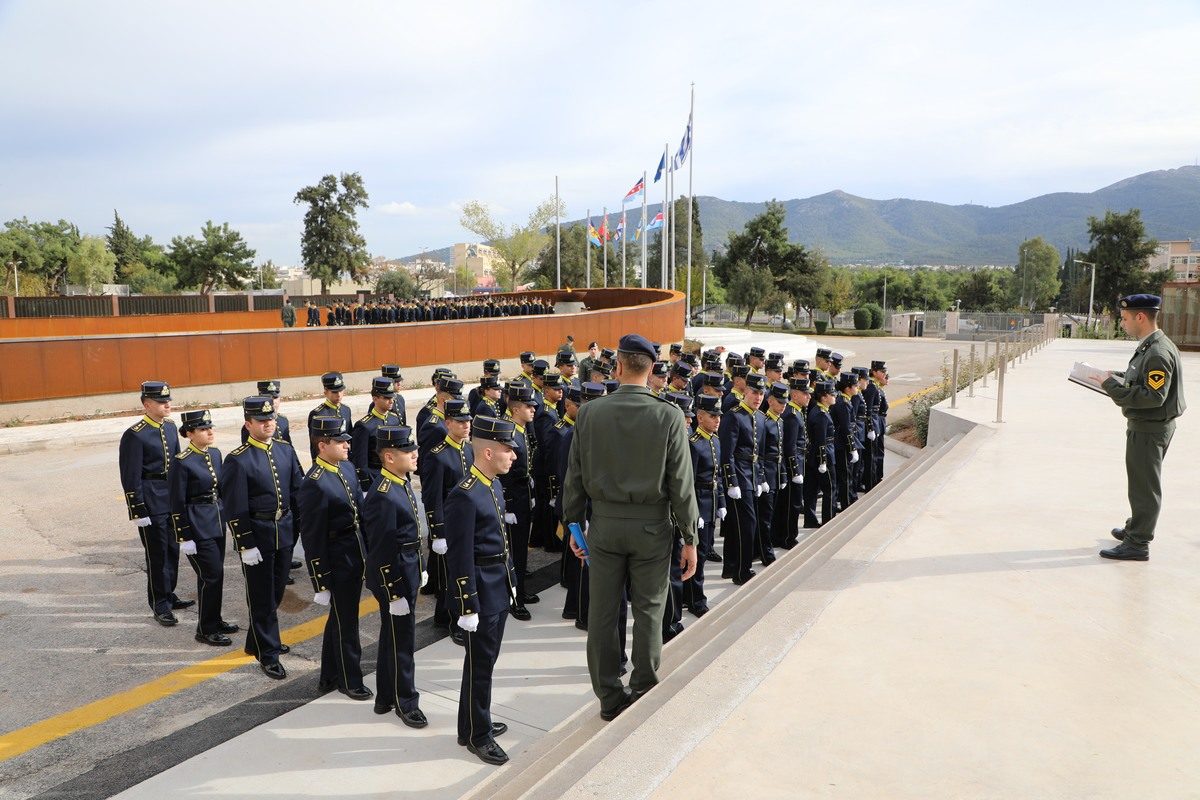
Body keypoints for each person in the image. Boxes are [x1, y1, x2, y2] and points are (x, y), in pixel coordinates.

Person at [562, 333, 699, 722]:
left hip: (603, 527)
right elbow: (681, 485)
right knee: (649, 611)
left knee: (604, 614)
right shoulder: (669, 415)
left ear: (617, 367)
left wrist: (575, 529)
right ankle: (643, 690)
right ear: (653, 369)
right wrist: (690, 538)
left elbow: (574, 478)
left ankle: (608, 697)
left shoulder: (589, 413)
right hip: (652, 529)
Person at [444, 416, 520, 766]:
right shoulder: (465, 495)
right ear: (488, 452)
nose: (513, 456)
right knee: (481, 667)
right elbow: (459, 556)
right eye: (508, 450)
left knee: (483, 663)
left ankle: (470, 724)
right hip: (481, 594)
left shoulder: (492, 485)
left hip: (497, 587)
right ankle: (479, 735)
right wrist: (466, 605)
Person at [1092, 294, 1187, 561]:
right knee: (1140, 482)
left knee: (1144, 486)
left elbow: (1152, 396)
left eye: (1124, 319)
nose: (1122, 324)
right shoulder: (1152, 346)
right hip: (1148, 426)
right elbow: (1142, 381)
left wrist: (1109, 385)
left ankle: (1138, 543)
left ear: (1140, 317)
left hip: (1149, 429)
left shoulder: (1157, 352)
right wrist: (1116, 378)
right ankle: (1136, 528)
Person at [221, 396, 305, 679]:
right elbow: (235, 505)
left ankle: (255, 641)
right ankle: (268, 653)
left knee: (277, 592)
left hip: (284, 532)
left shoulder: (284, 450)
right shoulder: (238, 460)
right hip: (257, 534)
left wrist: (298, 528)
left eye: (270, 419)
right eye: (260, 421)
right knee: (262, 598)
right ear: (248, 424)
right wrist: (244, 543)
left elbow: (297, 491)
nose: (267, 424)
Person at [298, 416, 370, 699]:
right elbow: (312, 535)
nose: (347, 446)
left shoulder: (347, 468)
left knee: (340, 618)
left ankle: (328, 674)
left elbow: (360, 513)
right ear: (322, 444)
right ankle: (349, 679)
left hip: (355, 553)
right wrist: (320, 580)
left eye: (346, 441)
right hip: (337, 558)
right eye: (340, 441)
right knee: (347, 622)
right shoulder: (314, 483)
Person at [362, 426, 429, 725]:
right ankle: (406, 702)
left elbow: (410, 533)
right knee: (402, 641)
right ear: (389, 456)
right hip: (396, 578)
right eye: (407, 451)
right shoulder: (383, 495)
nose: (415, 454)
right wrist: (394, 592)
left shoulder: (401, 482)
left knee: (393, 637)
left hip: (408, 568)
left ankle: (385, 697)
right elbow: (380, 550)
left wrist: (421, 565)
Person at [119, 380, 188, 626]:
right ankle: (160, 604)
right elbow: (130, 475)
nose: (167, 404)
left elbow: (178, 464)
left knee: (172, 549)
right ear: (147, 404)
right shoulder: (135, 435)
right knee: (157, 555)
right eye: (161, 401)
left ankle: (170, 593)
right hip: (150, 500)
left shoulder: (170, 427)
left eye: (168, 400)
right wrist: (137, 508)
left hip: (171, 498)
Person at [170, 409, 239, 645]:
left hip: (216, 521)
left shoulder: (216, 454)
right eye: (202, 429)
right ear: (189, 433)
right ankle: (205, 630)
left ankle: (214, 620)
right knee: (212, 575)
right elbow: (176, 501)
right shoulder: (182, 462)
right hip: (197, 524)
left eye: (210, 427)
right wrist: (183, 536)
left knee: (214, 576)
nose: (209, 432)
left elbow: (220, 490)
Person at [420, 398, 474, 641]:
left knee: (463, 571)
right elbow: (432, 498)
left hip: (468, 524)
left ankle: (446, 615)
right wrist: (437, 532)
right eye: (461, 422)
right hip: (449, 526)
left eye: (468, 421)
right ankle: (451, 621)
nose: (466, 426)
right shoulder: (437, 455)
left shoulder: (469, 449)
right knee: (450, 577)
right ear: (448, 423)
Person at [718, 372, 766, 584]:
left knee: (740, 524)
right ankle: (742, 570)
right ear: (745, 391)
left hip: (752, 475)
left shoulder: (760, 417)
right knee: (746, 525)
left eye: (761, 394)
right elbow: (727, 452)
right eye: (754, 392)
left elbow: (760, 453)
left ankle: (731, 567)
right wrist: (731, 482)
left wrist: (761, 478)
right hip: (739, 475)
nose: (758, 397)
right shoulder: (734, 415)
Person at [500, 384, 538, 620]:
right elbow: (504, 473)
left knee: (521, 552)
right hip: (514, 499)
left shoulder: (521, 428)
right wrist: (510, 505)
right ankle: (514, 598)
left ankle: (521, 590)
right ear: (515, 409)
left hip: (524, 494)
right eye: (528, 406)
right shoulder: (508, 432)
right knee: (513, 553)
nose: (533, 410)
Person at [351, 377, 403, 492]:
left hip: (394, 474)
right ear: (375, 399)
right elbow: (360, 461)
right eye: (386, 398)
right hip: (375, 477)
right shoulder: (364, 426)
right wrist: (366, 484)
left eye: (392, 397)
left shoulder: (394, 420)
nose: (391, 401)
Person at [804, 381, 837, 527]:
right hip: (823, 457)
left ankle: (810, 520)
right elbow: (821, 440)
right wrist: (823, 461)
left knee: (811, 490)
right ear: (824, 397)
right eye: (832, 394)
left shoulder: (819, 411)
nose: (834, 396)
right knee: (830, 488)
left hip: (814, 456)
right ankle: (828, 520)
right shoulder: (821, 415)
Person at [307, 372, 353, 463]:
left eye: (341, 390)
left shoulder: (346, 410)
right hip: (327, 460)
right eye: (334, 392)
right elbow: (315, 446)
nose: (339, 395)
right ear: (325, 392)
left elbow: (349, 437)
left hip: (344, 459)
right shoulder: (318, 414)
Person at [242, 380, 293, 446]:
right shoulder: (252, 425)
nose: (273, 401)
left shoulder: (283, 420)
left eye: (275, 397)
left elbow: (289, 447)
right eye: (269, 398)